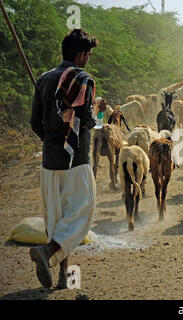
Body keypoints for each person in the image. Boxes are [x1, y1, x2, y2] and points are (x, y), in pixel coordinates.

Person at [29, 29, 103, 289]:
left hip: (49, 162)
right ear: (81, 55)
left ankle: (62, 275)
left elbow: (34, 122)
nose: (89, 59)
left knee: (56, 218)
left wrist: (51, 141)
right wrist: (99, 111)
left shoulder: (44, 79)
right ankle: (47, 252)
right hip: (77, 161)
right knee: (82, 213)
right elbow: (88, 123)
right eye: (89, 54)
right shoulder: (84, 80)